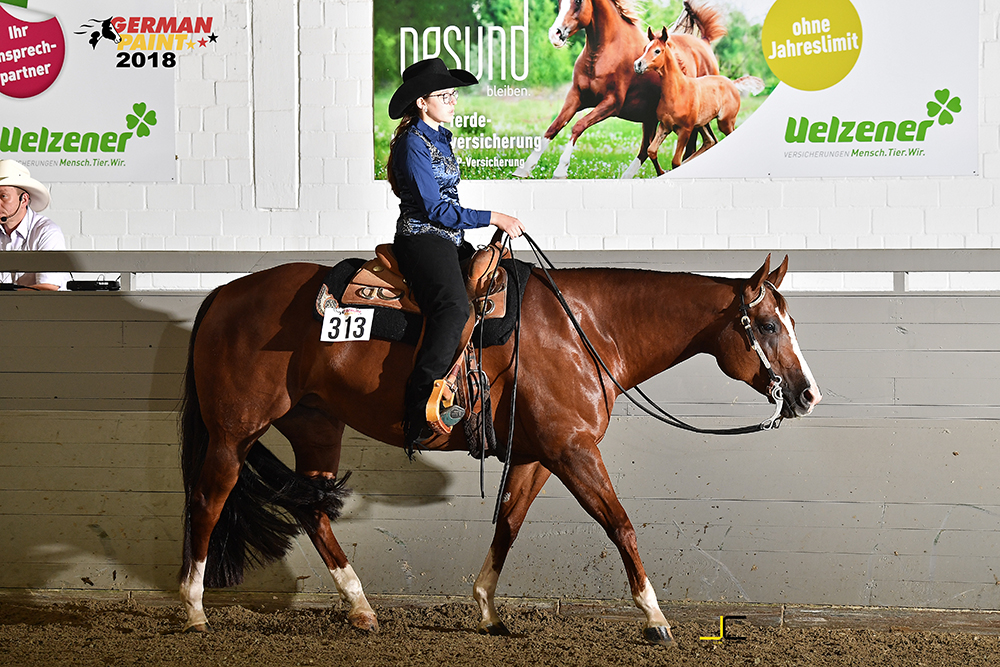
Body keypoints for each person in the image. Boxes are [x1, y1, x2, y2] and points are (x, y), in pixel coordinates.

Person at [386, 57, 525, 453]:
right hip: (422, 238)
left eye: (453, 95)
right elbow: (436, 210)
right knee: (452, 309)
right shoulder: (414, 143)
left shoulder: (439, 137)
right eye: (444, 95)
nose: (453, 101)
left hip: (447, 238)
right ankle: (419, 410)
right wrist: (493, 217)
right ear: (421, 102)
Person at [0, 160, 68, 290]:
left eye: (3, 196)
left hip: (39, 304)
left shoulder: (47, 232)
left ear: (24, 199)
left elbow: (48, 288)